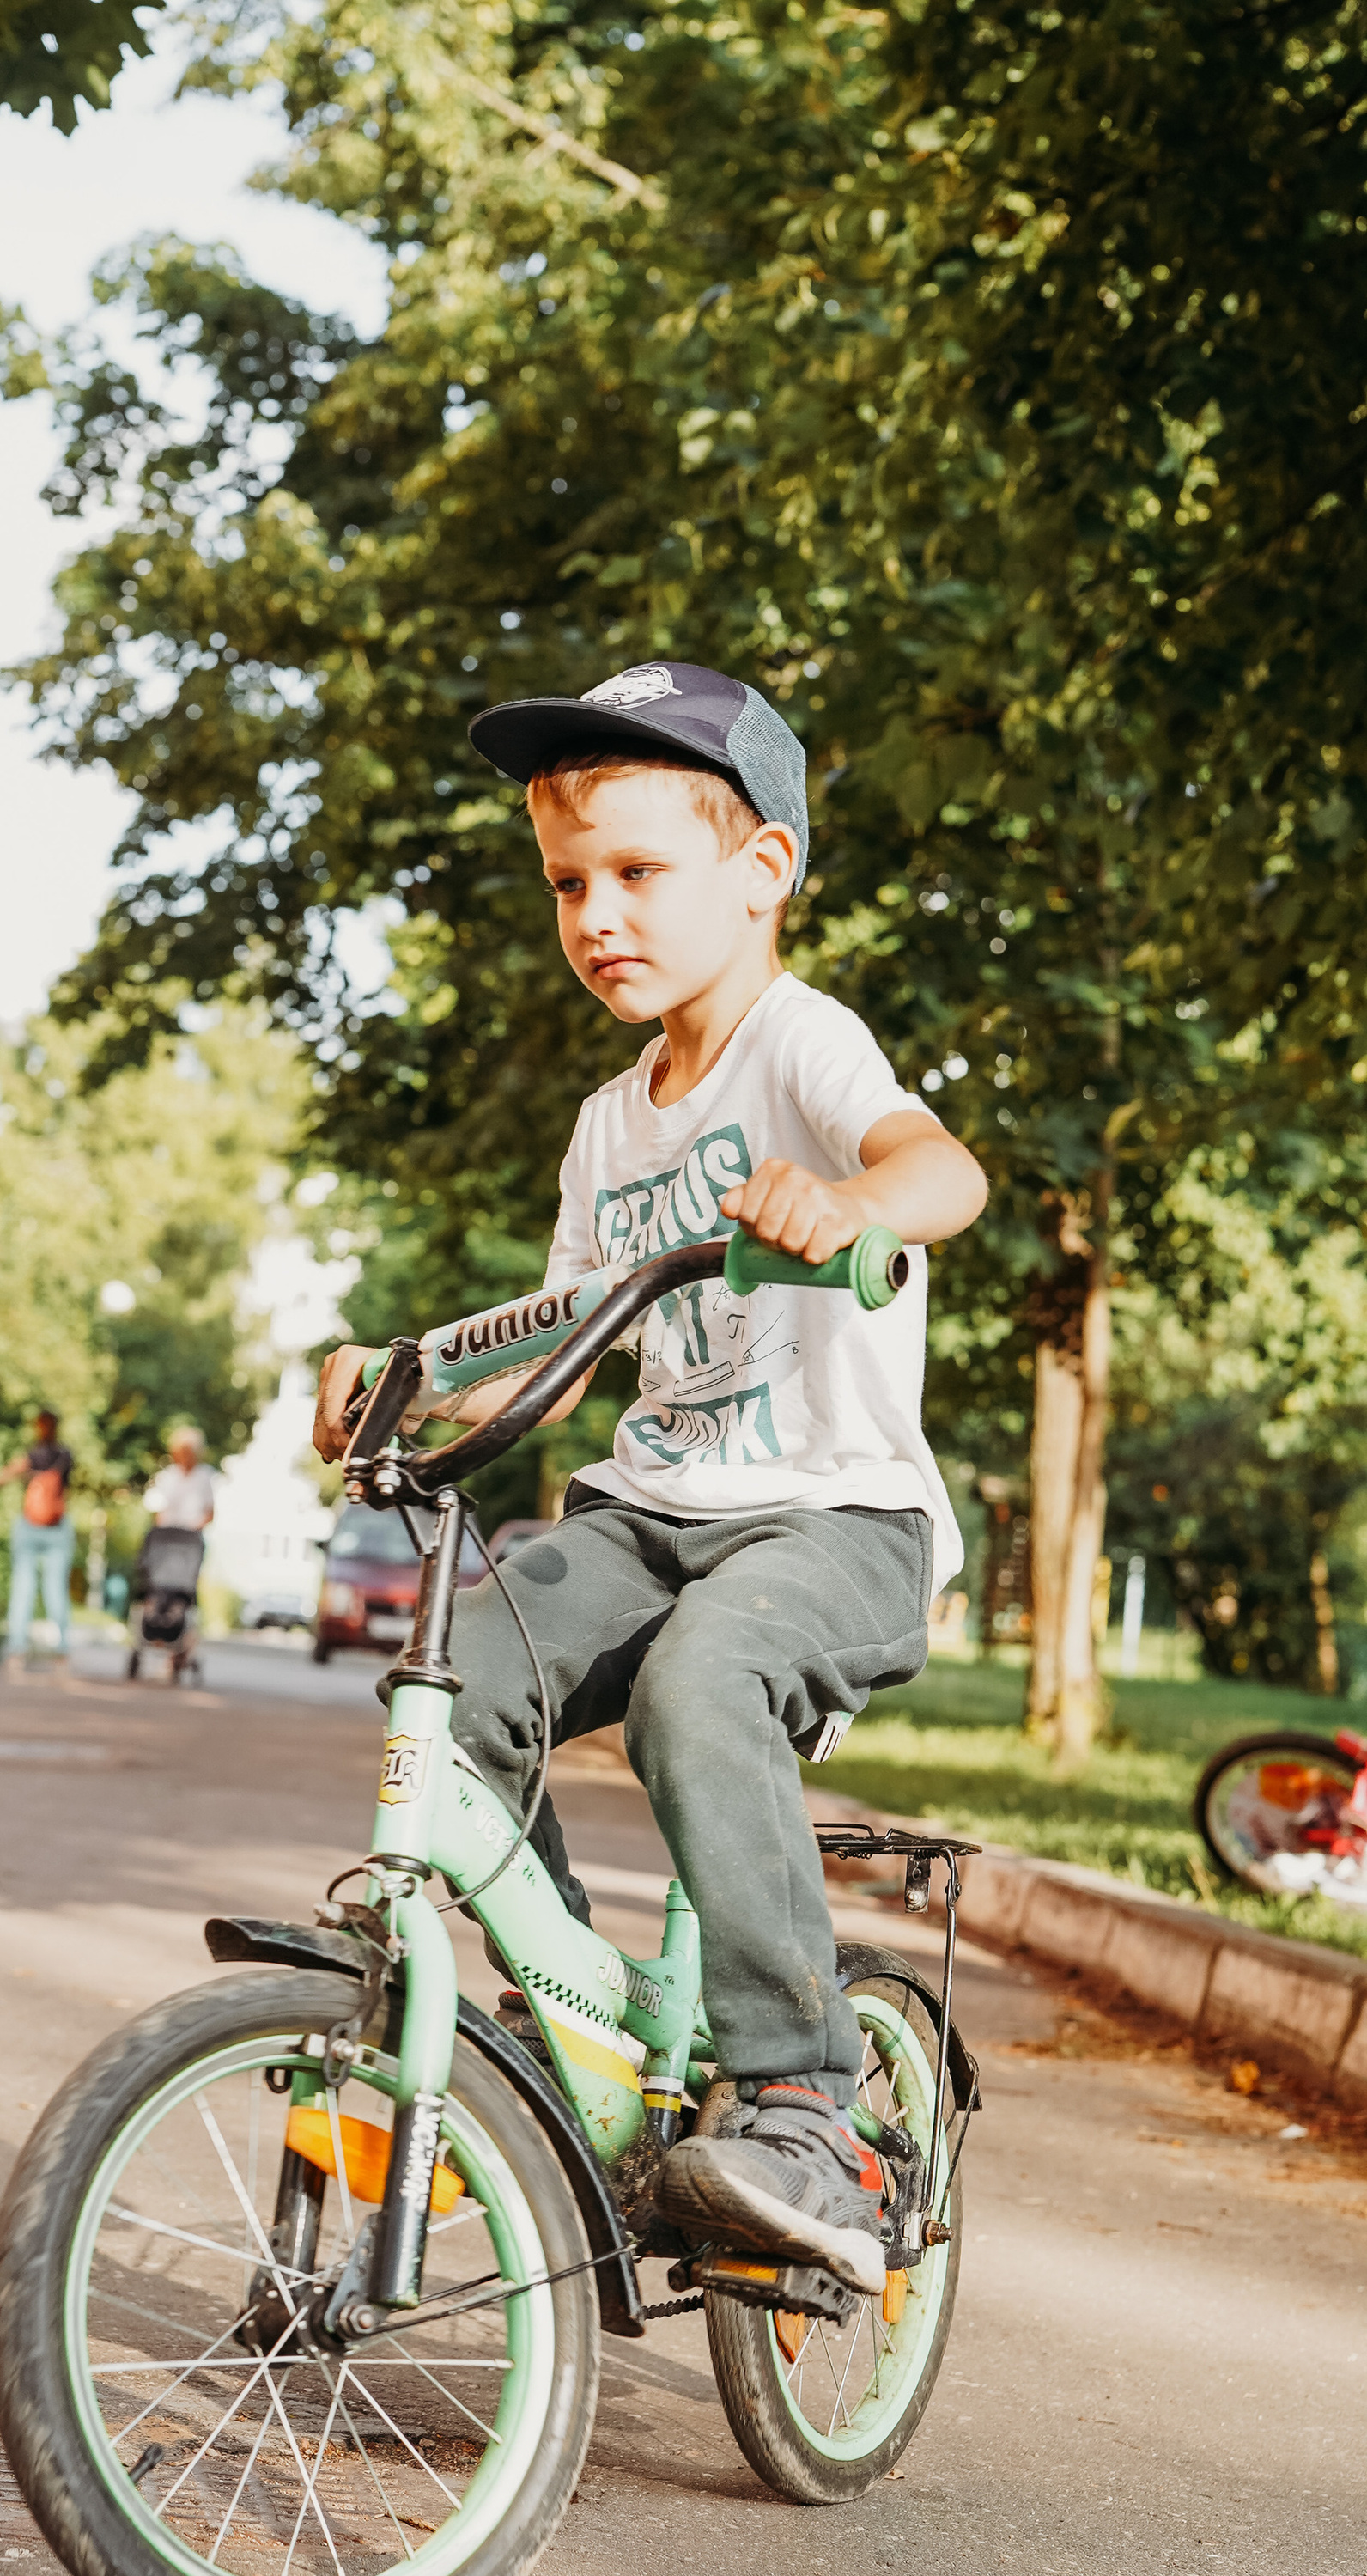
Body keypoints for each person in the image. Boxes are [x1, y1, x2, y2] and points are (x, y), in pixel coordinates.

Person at [313, 658, 987, 2295]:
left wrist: (858, 1207)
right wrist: (405, 1373)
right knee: (454, 1687)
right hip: (651, 1511)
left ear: (762, 872)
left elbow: (940, 1166)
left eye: (635, 870)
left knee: (701, 1687)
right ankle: (571, 2043)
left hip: (834, 1519)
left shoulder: (799, 1042)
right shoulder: (606, 1126)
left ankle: (804, 2101)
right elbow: (558, 1334)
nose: (596, 913)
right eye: (568, 882)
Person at [0, 1408, 74, 1672]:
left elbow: (2, 1478)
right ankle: (61, 1651)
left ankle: (16, 1650)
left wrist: (22, 1475)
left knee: (24, 1588)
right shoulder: (65, 1455)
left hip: (30, 1525)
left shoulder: (32, 1454)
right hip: (58, 1526)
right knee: (55, 1589)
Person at [143, 1423, 216, 1534]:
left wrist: (193, 1528)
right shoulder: (167, 1476)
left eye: (188, 1452)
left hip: (192, 1535)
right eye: (182, 1452)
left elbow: (210, 1513)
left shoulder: (206, 1476)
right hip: (167, 1533)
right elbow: (159, 1511)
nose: (185, 1457)